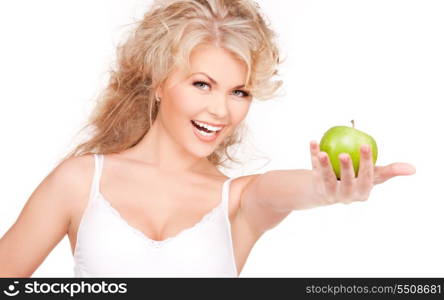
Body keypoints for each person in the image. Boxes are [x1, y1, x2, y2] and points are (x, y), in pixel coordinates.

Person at [0, 0, 415, 277]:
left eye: (239, 92)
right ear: (159, 83)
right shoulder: (80, 181)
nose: (221, 110)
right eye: (202, 84)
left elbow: (282, 190)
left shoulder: (236, 200)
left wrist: (329, 191)